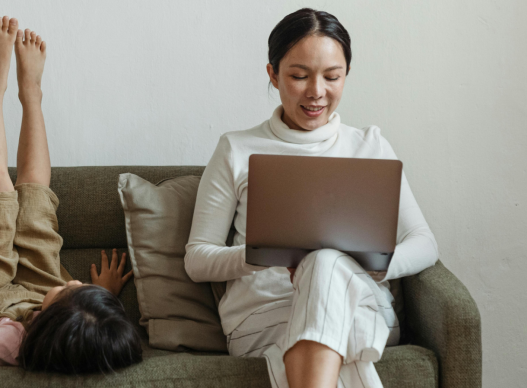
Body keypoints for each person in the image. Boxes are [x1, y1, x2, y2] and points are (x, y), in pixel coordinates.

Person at [185, 8, 439, 388]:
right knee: (320, 266)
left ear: (346, 74)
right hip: (264, 316)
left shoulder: (370, 145)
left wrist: (368, 266)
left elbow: (425, 243)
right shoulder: (236, 149)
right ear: (272, 74)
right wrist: (264, 255)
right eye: (299, 76)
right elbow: (197, 259)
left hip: (360, 307)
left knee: (324, 262)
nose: (316, 91)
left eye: (332, 76)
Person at [0, 16, 142, 374]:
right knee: (35, 198)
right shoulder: (72, 324)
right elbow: (97, 337)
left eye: (75, 288)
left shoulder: (7, 342)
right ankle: (31, 95)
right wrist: (100, 298)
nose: (76, 281)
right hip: (44, 293)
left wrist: (79, 299)